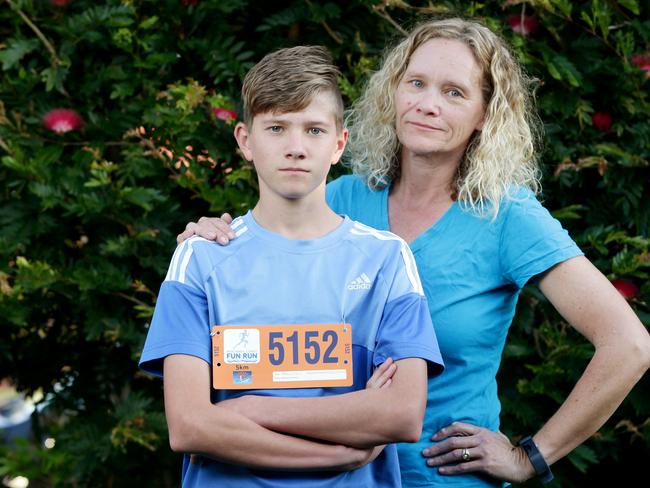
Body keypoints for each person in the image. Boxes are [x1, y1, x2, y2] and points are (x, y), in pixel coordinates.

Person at [177, 17, 650, 487]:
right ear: (393, 91)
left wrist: (530, 457)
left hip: (441, 478)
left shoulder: (506, 217)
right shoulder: (342, 200)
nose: (427, 105)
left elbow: (629, 345)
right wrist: (214, 234)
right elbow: (250, 274)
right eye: (416, 83)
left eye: (454, 92)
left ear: (486, 113)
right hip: (331, 474)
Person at [140, 45, 444, 487]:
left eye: (315, 130)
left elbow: (401, 414)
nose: (296, 148)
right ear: (246, 140)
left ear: (340, 143)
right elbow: (189, 425)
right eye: (277, 128)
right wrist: (338, 453)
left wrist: (253, 407)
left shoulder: (387, 259)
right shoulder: (201, 258)